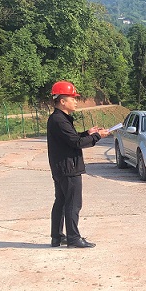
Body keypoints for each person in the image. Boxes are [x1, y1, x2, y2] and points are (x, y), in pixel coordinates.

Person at [47, 80, 108, 248]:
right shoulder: (60, 120)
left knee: (61, 202)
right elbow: (76, 143)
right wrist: (97, 136)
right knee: (73, 203)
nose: (75, 101)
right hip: (69, 168)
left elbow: (71, 138)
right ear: (62, 101)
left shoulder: (59, 119)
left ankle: (57, 237)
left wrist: (88, 133)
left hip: (62, 167)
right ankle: (73, 238)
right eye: (72, 98)